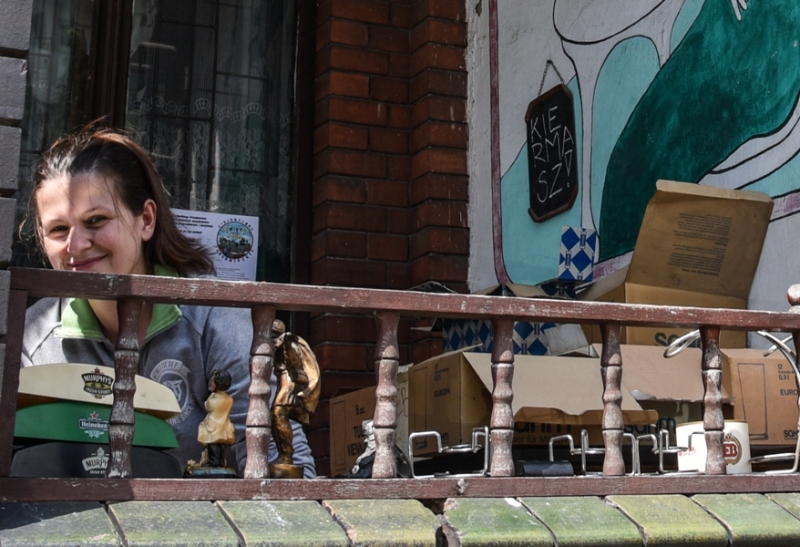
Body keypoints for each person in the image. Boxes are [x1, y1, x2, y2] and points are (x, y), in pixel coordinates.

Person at [19, 125, 316, 477]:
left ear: (145, 220)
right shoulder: (33, 338)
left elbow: (281, 466)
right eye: (58, 229)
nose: (76, 245)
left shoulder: (215, 316)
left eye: (95, 221)